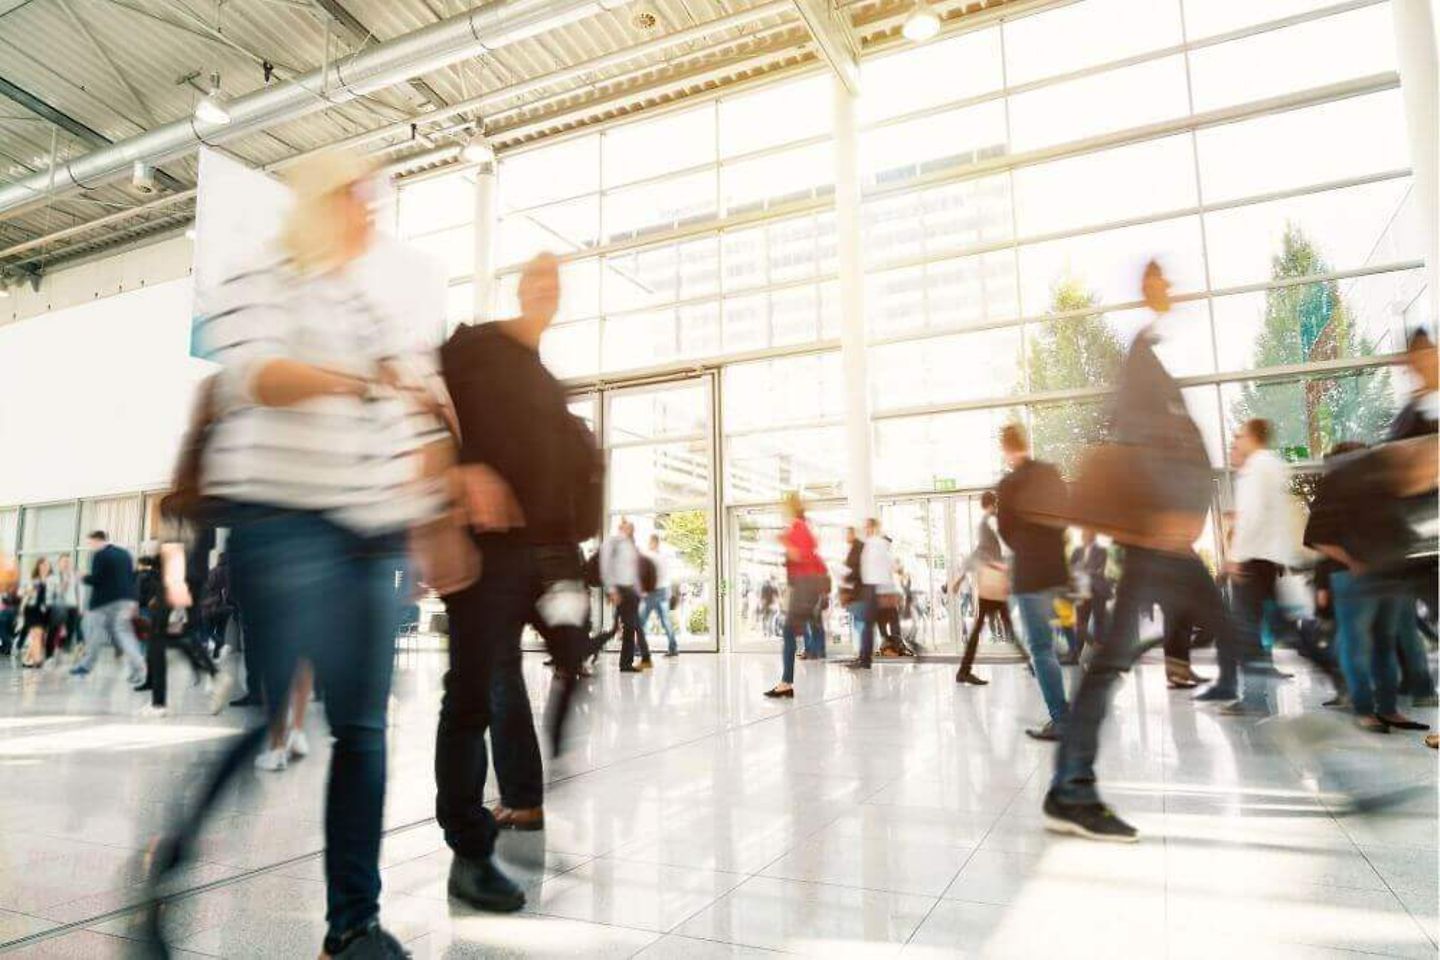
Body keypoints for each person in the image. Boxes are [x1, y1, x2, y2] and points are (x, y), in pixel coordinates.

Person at [150, 150, 448, 959]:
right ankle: (170, 865)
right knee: (269, 714)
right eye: (356, 196)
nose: (370, 210)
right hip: (283, 521)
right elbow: (262, 377)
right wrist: (362, 380)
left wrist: (423, 517)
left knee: (362, 728)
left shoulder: (370, 306)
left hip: (365, 533)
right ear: (320, 203)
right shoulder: (259, 276)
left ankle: (352, 926)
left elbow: (407, 419)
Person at [436, 250, 604, 911]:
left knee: (566, 656)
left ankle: (526, 798)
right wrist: (459, 477)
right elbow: (434, 405)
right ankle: (471, 847)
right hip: (493, 554)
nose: (545, 291)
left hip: (553, 552)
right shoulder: (478, 346)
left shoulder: (546, 382)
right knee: (479, 691)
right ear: (518, 285)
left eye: (554, 283)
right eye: (536, 279)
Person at [1046, 260, 1225, 842]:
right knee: (1120, 658)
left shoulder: (1152, 365)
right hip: (1155, 539)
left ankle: (1071, 785)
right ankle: (1071, 787)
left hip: (1162, 537)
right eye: (1159, 285)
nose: (1168, 290)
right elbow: (1143, 436)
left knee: (1114, 660)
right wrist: (1167, 516)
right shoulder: (1141, 367)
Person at [1304, 442, 1431, 734]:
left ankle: (1388, 709)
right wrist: (1353, 561)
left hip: (1390, 574)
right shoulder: (1335, 485)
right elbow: (1316, 536)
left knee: (1385, 643)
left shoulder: (1380, 484)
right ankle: (1365, 710)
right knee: (1358, 645)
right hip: (1353, 577)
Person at [1204, 417, 1289, 715]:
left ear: (1254, 435)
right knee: (1269, 628)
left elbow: (1252, 517)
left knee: (1247, 631)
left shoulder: (1256, 468)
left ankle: (1254, 700)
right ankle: (1336, 674)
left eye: (1240, 435)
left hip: (1252, 561)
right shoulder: (1272, 465)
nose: (1236, 441)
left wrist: (1234, 556)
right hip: (1266, 560)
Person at [995, 423, 1070, 741]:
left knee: (1041, 648)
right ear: (1026, 442)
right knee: (1058, 640)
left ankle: (1061, 718)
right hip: (1056, 571)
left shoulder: (1008, 484)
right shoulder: (1051, 473)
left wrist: (1026, 550)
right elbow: (1065, 517)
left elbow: (1005, 531)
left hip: (1030, 574)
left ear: (1006, 450)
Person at [1386, 329, 1439, 708]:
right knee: (1402, 609)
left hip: (1423, 529)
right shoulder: (1413, 408)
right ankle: (1417, 684)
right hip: (1410, 532)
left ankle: (1418, 684)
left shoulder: (1427, 406)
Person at [765, 492, 826, 698]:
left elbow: (799, 555)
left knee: (789, 630)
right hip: (806, 586)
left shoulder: (798, 527)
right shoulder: (804, 527)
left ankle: (786, 682)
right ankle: (790, 677)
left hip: (804, 585)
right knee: (795, 628)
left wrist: (783, 540)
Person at [952, 490, 1013, 686]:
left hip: (992, 581)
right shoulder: (989, 522)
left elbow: (982, 551)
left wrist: (960, 577)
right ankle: (964, 670)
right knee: (998, 623)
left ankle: (964, 670)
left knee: (996, 623)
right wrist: (960, 577)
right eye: (996, 503)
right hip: (992, 581)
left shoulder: (986, 523)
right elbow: (985, 551)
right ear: (993, 503)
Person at [70, 531, 145, 683]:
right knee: (125, 634)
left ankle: (86, 665)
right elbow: (132, 577)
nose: (90, 547)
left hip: (104, 602)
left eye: (90, 543)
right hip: (127, 600)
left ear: (97, 541)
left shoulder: (99, 555)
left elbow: (97, 579)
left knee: (92, 630)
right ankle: (139, 668)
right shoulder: (125, 554)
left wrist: (82, 577)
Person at [602, 518, 649, 672]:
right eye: (628, 526)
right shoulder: (613, 542)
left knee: (629, 627)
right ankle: (590, 651)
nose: (631, 529)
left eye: (632, 527)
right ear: (621, 527)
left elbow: (633, 571)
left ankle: (626, 663)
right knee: (626, 626)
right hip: (620, 589)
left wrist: (640, 590)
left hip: (631, 591)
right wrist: (611, 589)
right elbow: (605, 566)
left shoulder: (630, 545)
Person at [850, 517, 893, 669]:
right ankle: (864, 658)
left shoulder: (878, 544)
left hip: (875, 588)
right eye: (865, 527)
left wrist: (887, 591)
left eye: (869, 527)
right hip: (869, 588)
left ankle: (865, 659)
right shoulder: (869, 544)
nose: (866, 530)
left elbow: (886, 567)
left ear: (875, 527)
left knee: (869, 625)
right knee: (868, 625)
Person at [1068, 530, 1109, 668]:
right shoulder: (1077, 550)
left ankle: (1098, 657)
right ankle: (1078, 653)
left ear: (1093, 536)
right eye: (1083, 535)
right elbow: (1071, 568)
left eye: (1086, 534)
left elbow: (1098, 569)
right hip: (1082, 592)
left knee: (1099, 623)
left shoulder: (1102, 550)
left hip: (1097, 592)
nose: (1084, 536)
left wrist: (1082, 569)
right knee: (1080, 623)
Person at [639, 533, 680, 658]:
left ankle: (638, 649)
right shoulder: (664, 557)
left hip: (653, 592)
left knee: (641, 622)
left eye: (650, 542)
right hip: (663, 591)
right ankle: (673, 649)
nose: (649, 544)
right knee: (665, 621)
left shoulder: (649, 556)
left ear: (654, 543)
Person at [19, 557, 50, 668]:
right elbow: (21, 592)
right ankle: (37, 661)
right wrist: (28, 591)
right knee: (37, 634)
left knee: (42, 636)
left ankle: (27, 658)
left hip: (45, 611)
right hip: (32, 609)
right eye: (42, 565)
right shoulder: (32, 579)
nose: (44, 567)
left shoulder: (52, 580)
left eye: (46, 565)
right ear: (38, 567)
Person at [48, 554, 80, 656]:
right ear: (59, 563)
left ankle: (64, 652)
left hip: (72, 606)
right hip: (59, 607)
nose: (66, 564)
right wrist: (64, 585)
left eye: (68, 562)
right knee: (55, 630)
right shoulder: (53, 578)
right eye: (64, 561)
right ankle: (50, 653)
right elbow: (53, 593)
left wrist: (79, 606)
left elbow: (77, 591)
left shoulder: (74, 576)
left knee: (70, 630)